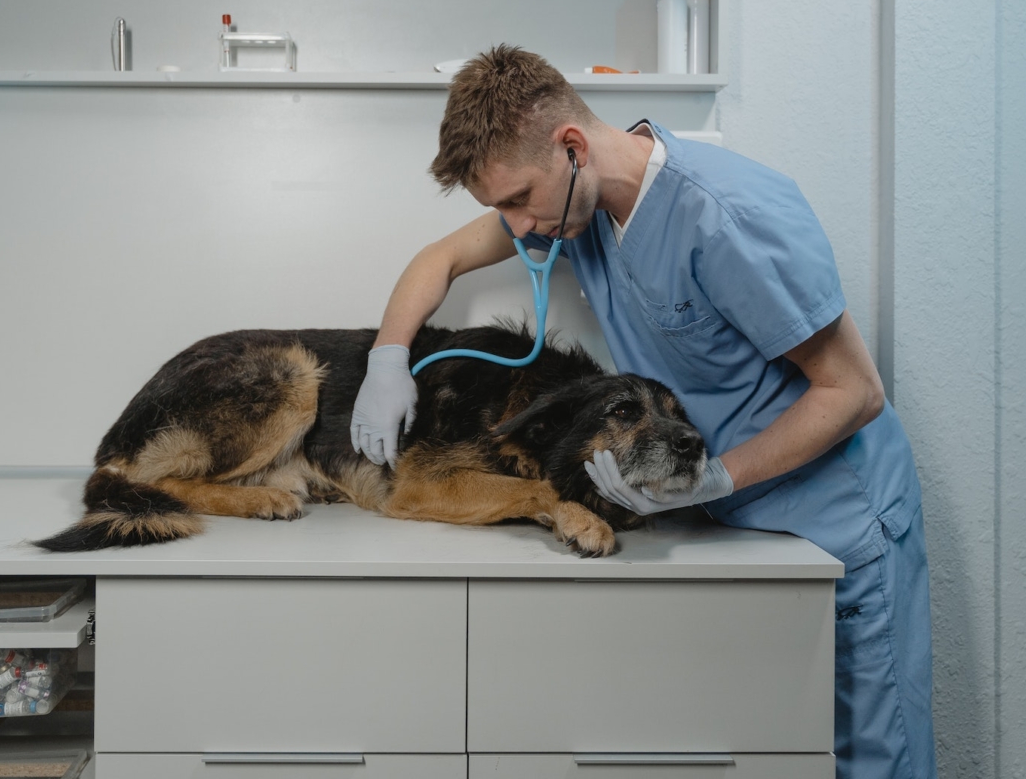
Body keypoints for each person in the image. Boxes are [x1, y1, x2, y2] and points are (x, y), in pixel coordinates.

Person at [349, 45, 936, 779]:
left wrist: (718, 477)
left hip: (831, 521)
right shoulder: (573, 206)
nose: (518, 227)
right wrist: (387, 359)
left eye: (518, 199)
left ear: (571, 148)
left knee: (867, 759)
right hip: (728, 527)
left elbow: (854, 391)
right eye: (499, 209)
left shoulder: (728, 216)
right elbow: (438, 260)